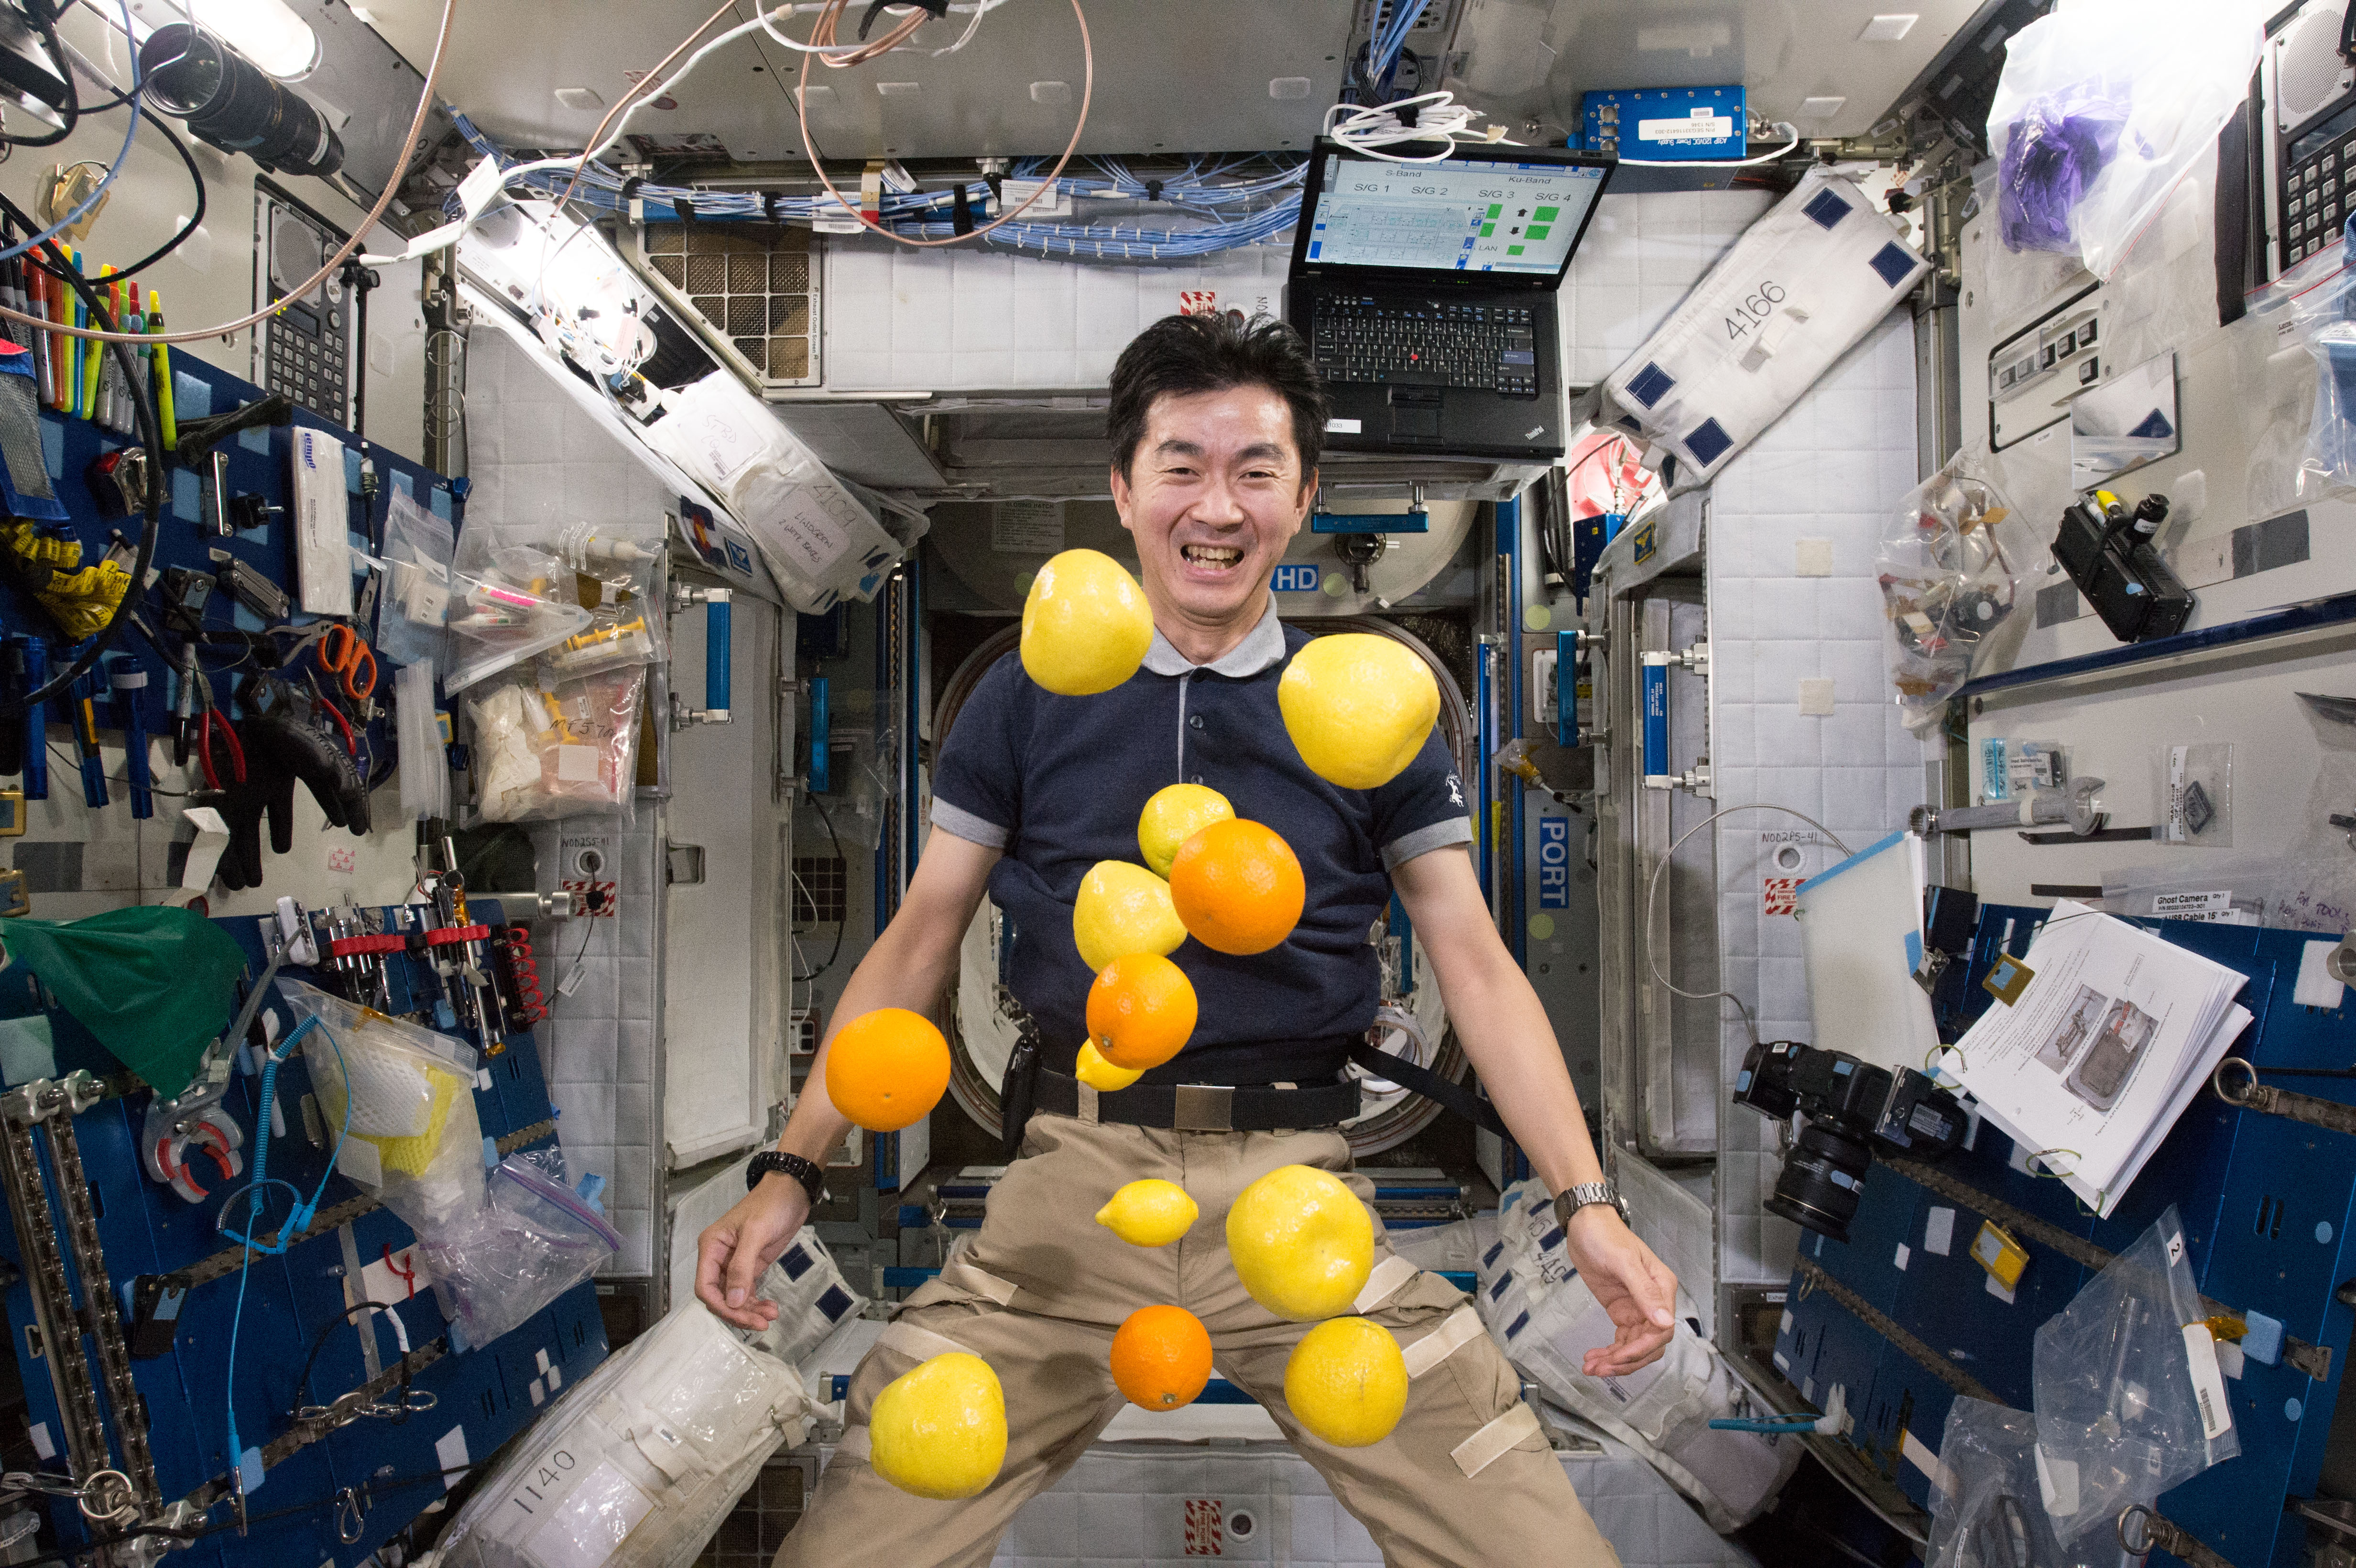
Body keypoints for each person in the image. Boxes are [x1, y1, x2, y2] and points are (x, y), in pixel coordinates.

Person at [697, 312, 1678, 1567]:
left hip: (1302, 1207)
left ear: (1305, 495)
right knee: (854, 1547)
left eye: (1256, 469)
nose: (1218, 506)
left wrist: (1584, 1202)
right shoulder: (1026, 694)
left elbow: (1476, 965)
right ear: (1123, 487)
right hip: (1066, 1211)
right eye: (1182, 466)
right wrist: (793, 1166)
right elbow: (916, 944)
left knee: (1532, 1544)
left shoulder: (1369, 711)